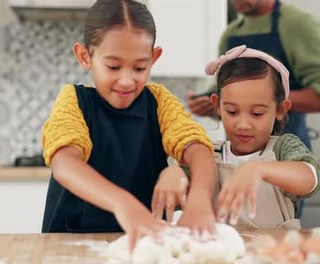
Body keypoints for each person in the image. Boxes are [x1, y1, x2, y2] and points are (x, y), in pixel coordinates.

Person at [40, 0, 216, 249]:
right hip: (71, 245)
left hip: (142, 245)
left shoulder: (160, 101)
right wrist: (124, 203)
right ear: (84, 56)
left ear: (154, 59)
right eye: (113, 66)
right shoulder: (74, 101)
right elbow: (65, 165)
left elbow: (197, 148)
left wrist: (199, 198)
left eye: (139, 67)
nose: (126, 80)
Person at [160, 45, 320, 229]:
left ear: (280, 109)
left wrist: (259, 170)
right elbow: (181, 183)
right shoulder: (207, 152)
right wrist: (173, 174)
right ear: (217, 105)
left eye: (256, 114)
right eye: (232, 112)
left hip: (274, 255)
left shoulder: (282, 148)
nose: (243, 124)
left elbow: (311, 178)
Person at [187, 0, 320, 149]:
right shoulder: (231, 33)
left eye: (257, 113)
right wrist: (210, 105)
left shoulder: (299, 25)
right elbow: (223, 92)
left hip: (287, 151)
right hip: (240, 157)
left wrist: (265, 98)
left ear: (282, 109)